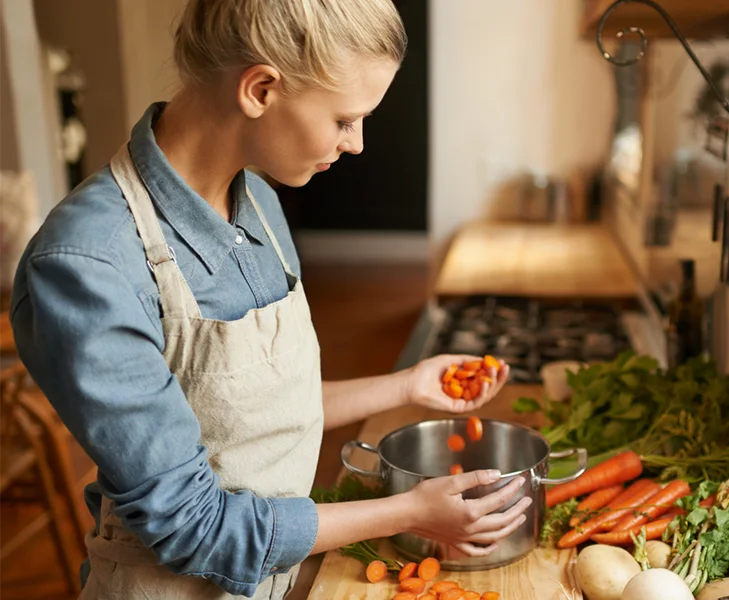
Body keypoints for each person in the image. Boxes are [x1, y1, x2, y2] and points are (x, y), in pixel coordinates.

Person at [9, 1, 530, 598]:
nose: (357, 143)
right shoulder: (87, 264)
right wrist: (410, 511)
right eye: (343, 119)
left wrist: (408, 386)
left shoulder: (259, 202)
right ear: (260, 89)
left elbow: (249, 412)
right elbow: (194, 526)